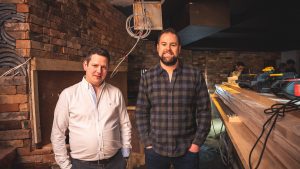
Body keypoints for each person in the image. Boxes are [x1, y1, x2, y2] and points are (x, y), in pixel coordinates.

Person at [135, 28, 211, 169]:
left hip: (187, 151)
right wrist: (147, 143)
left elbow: (205, 112)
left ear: (179, 48)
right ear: (158, 48)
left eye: (173, 45)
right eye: (164, 44)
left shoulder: (194, 75)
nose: (168, 49)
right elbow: (141, 113)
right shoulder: (147, 77)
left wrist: (196, 144)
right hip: (155, 150)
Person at [51, 47, 131, 169]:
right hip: (82, 165)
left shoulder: (116, 93)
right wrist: (65, 166)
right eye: (95, 65)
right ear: (85, 65)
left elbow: (125, 124)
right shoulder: (68, 95)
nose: (99, 71)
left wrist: (125, 155)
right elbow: (58, 133)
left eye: (103, 67)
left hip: (115, 163)